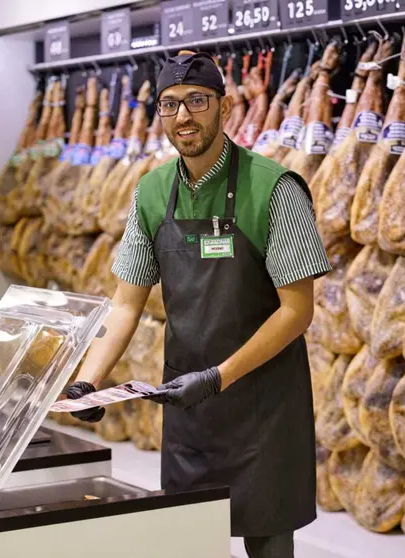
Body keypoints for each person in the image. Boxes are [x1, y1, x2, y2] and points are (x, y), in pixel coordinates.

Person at [63, 51, 331, 558]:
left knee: (269, 544)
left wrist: (219, 377)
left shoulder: (274, 187)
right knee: (190, 542)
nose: (183, 116)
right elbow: (126, 304)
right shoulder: (151, 192)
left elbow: (297, 311)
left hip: (263, 409)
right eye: (170, 105)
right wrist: (90, 381)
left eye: (197, 101)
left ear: (224, 107)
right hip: (187, 409)